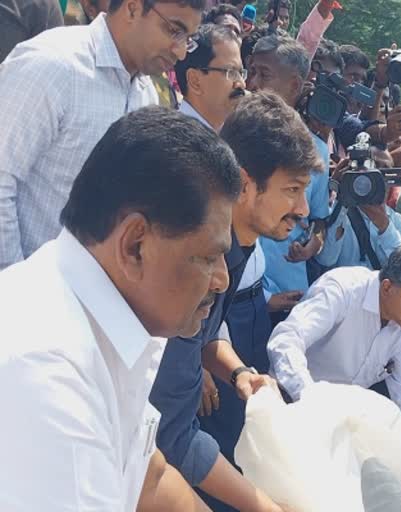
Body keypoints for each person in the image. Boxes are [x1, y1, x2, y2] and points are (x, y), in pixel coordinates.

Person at [0, 106, 242, 511]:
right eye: (208, 258)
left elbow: (149, 477)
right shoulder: (45, 373)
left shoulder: (110, 318)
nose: (222, 280)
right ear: (135, 245)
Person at [150, 92, 320, 512]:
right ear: (245, 185)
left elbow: (208, 336)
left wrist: (239, 371)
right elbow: (172, 439)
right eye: (292, 190)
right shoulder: (196, 264)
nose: (302, 210)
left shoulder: (236, 245)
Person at [0, 0, 205, 270]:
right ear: (133, 8)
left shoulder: (146, 95)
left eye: (188, 39)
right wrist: (16, 289)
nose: (180, 52)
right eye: (174, 30)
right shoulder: (52, 66)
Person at [267, 243, 401, 498]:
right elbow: (286, 340)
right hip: (292, 404)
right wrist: (310, 400)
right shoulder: (342, 289)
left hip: (344, 425)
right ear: (387, 287)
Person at [246, 34, 329, 313]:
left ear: (294, 85)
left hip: (292, 297)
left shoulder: (316, 150)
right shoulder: (232, 139)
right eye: (251, 71)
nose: (252, 83)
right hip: (240, 298)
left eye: (264, 74)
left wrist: (314, 244)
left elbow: (319, 219)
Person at [316, 145, 401, 270]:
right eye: (374, 168)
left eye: (385, 171)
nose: (378, 178)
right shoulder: (342, 215)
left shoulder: (399, 223)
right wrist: (342, 195)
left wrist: (385, 226)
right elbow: (326, 259)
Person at [175, 23, 248, 132]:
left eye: (241, 73)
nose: (241, 84)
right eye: (231, 72)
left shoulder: (233, 138)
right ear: (195, 81)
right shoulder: (174, 142)